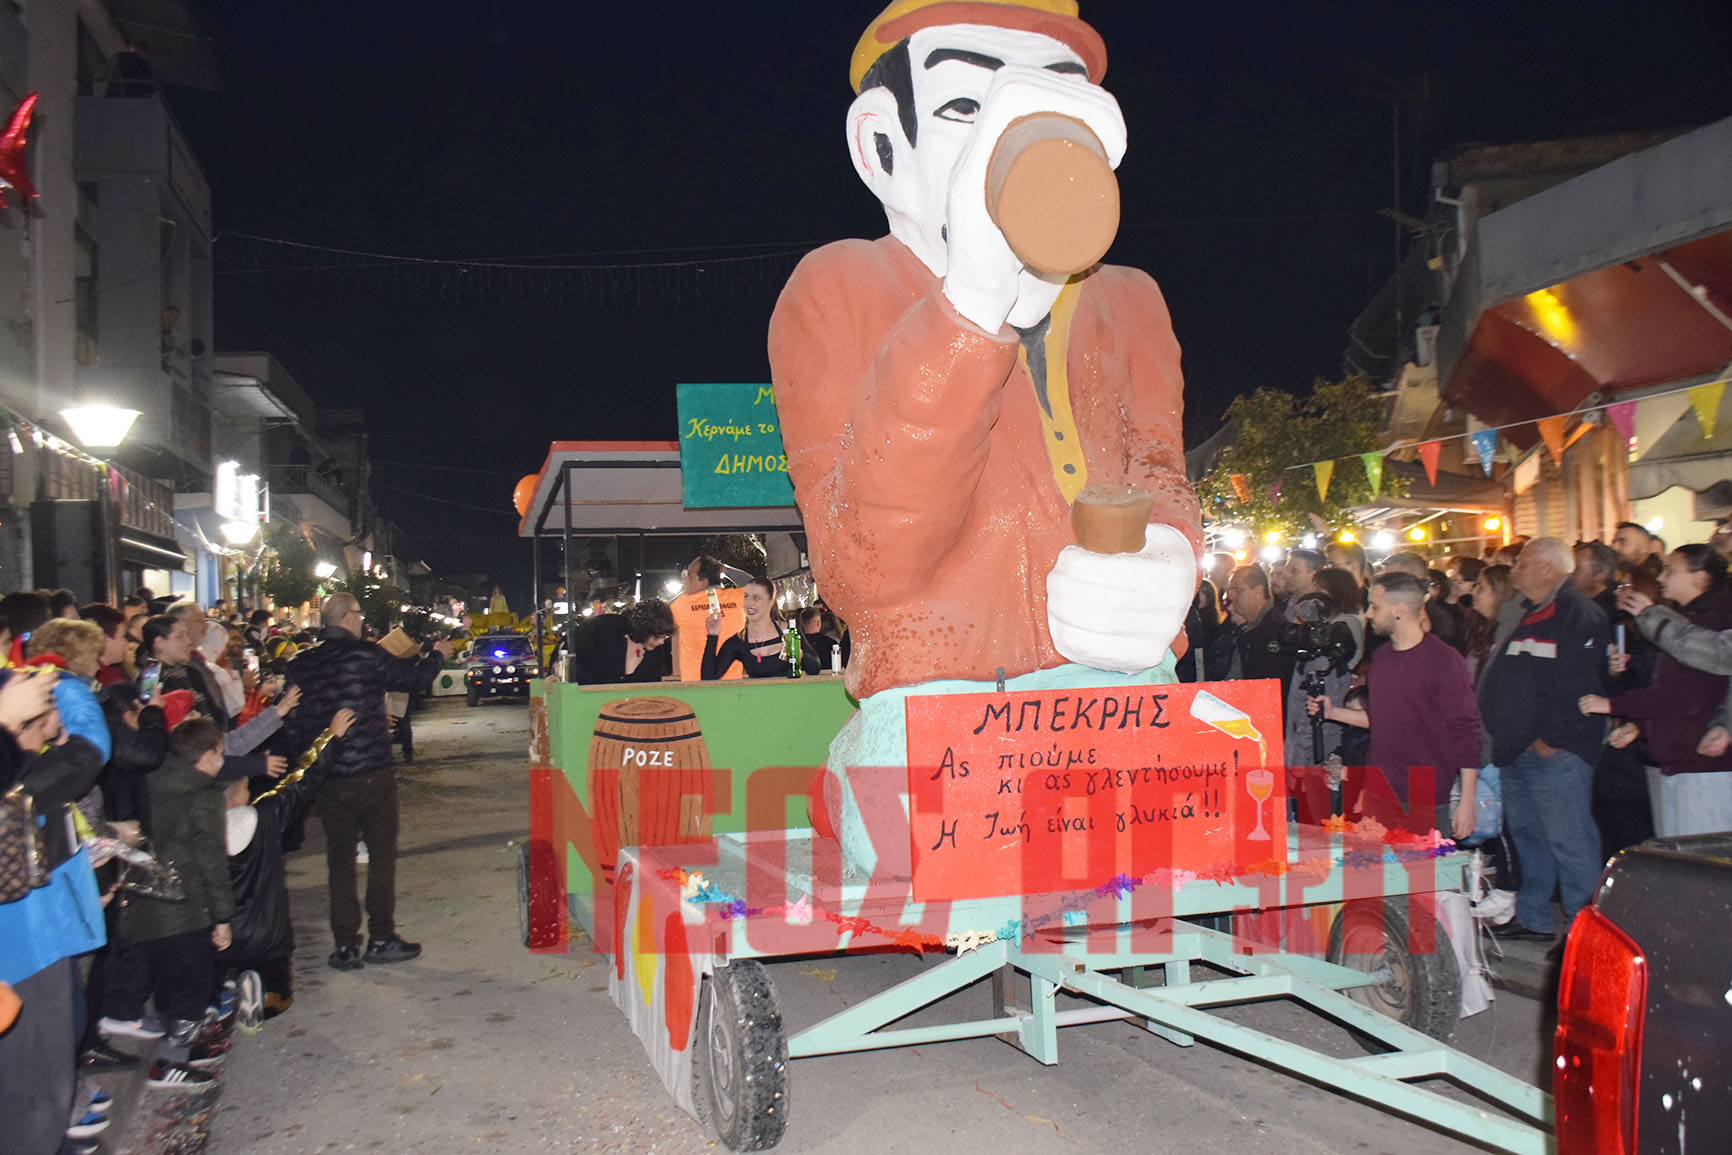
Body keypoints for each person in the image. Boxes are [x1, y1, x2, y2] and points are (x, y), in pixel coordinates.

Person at [770, 0, 1197, 716]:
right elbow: (866, 564)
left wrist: (1171, 552)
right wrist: (970, 299)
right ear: (883, 148)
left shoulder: (1129, 299)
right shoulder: (838, 287)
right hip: (940, 714)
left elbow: (1159, 468)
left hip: (1128, 699)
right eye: (966, 106)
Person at [279, 593, 449, 971]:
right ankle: (381, 936)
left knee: (339, 859)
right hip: (370, 771)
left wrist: (304, 772)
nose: (361, 619)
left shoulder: (301, 664)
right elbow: (415, 678)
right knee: (381, 855)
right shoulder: (365, 655)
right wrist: (438, 655)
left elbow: (291, 724)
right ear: (346, 617)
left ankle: (344, 944)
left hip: (328, 776)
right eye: (358, 613)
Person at [1475, 537, 1608, 948]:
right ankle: (1533, 917)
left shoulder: (1577, 613)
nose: (1515, 571)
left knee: (1569, 842)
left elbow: (1580, 685)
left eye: (1523, 563)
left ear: (1549, 568)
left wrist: (1549, 741)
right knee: (1530, 839)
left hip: (1552, 753)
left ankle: (1586, 934)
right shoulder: (1530, 612)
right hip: (1518, 750)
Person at [1309, 572, 1480, 837]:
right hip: (1380, 787)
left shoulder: (1443, 661)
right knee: (1380, 875)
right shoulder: (1383, 659)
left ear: (1399, 610)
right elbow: (1383, 719)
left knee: (1422, 877)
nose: (1367, 613)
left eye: (1375, 606)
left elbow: (1466, 730)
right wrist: (1333, 713)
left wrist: (1467, 801)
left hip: (1424, 792)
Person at [1581, 544, 1732, 836]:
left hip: (1704, 762)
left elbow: (1686, 694)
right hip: (1683, 758)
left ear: (1699, 577)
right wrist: (1638, 726)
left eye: (1671, 571)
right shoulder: (1687, 619)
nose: (1662, 578)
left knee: (1703, 866)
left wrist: (1613, 705)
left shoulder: (1712, 621)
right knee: (1684, 864)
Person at [222, 708, 357, 1027]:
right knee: (281, 994)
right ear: (237, 793)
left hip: (221, 936)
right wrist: (331, 738)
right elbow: (302, 780)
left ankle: (226, 994)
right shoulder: (264, 817)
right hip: (267, 938)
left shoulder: (195, 829)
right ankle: (266, 998)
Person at [125, 718, 233, 1091]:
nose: (223, 758)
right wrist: (222, 917)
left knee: (170, 980)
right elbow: (211, 860)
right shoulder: (202, 794)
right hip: (183, 904)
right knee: (193, 981)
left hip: (144, 900)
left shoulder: (151, 779)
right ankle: (170, 1062)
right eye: (220, 751)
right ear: (205, 756)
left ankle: (182, 1048)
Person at [703, 579, 822, 679]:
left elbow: (815, 668)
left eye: (756, 598)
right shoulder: (739, 641)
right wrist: (712, 635)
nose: (749, 603)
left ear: (771, 601)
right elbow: (708, 678)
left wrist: (800, 655)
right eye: (746, 597)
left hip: (792, 701)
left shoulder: (790, 631)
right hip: (758, 703)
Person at [1215, 565, 1293, 697]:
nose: (1231, 596)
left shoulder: (1275, 631)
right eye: (1230, 590)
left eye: (1238, 590)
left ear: (1257, 592)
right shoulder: (1251, 628)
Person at [668, 555, 745, 681]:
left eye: (690, 575)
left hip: (694, 684)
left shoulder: (682, 604)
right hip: (733, 683)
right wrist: (725, 570)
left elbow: (659, 617)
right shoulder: (737, 597)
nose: (685, 579)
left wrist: (684, 591)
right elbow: (756, 584)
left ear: (704, 581)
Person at [566, 600, 675, 686]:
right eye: (656, 637)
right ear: (644, 630)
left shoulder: (655, 649)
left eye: (665, 637)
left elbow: (651, 684)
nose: (661, 642)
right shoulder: (602, 630)